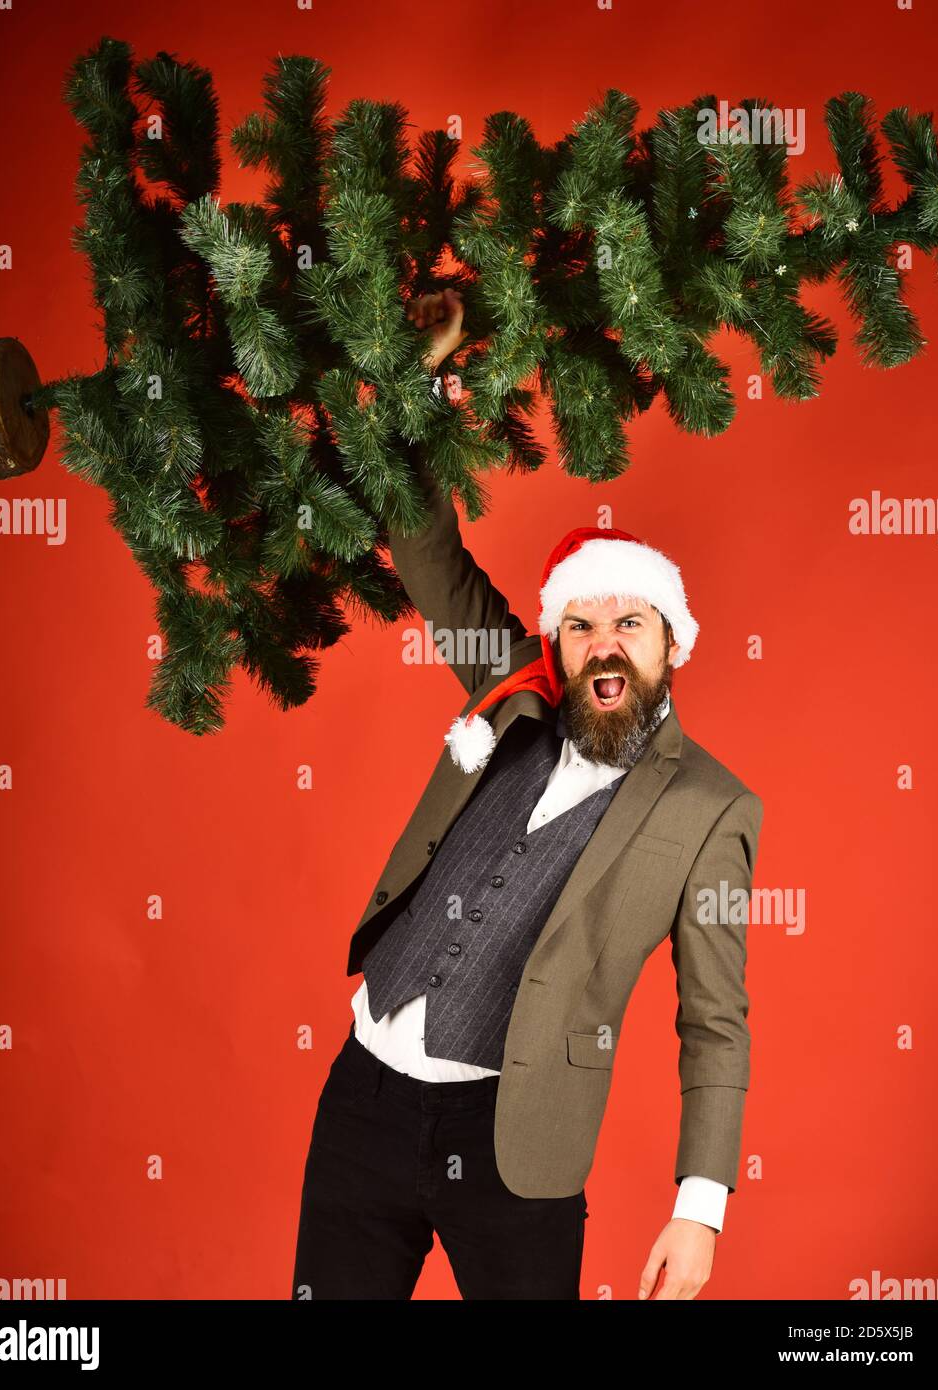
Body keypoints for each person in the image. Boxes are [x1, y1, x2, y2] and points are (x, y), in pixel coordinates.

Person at [291, 290, 764, 1301]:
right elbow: (428, 557)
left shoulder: (709, 809)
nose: (604, 644)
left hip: (514, 1145)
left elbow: (715, 1019)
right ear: (557, 640)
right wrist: (415, 390)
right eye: (583, 624)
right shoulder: (508, 690)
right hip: (364, 1098)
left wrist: (700, 1205)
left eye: (629, 624)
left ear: (671, 645)